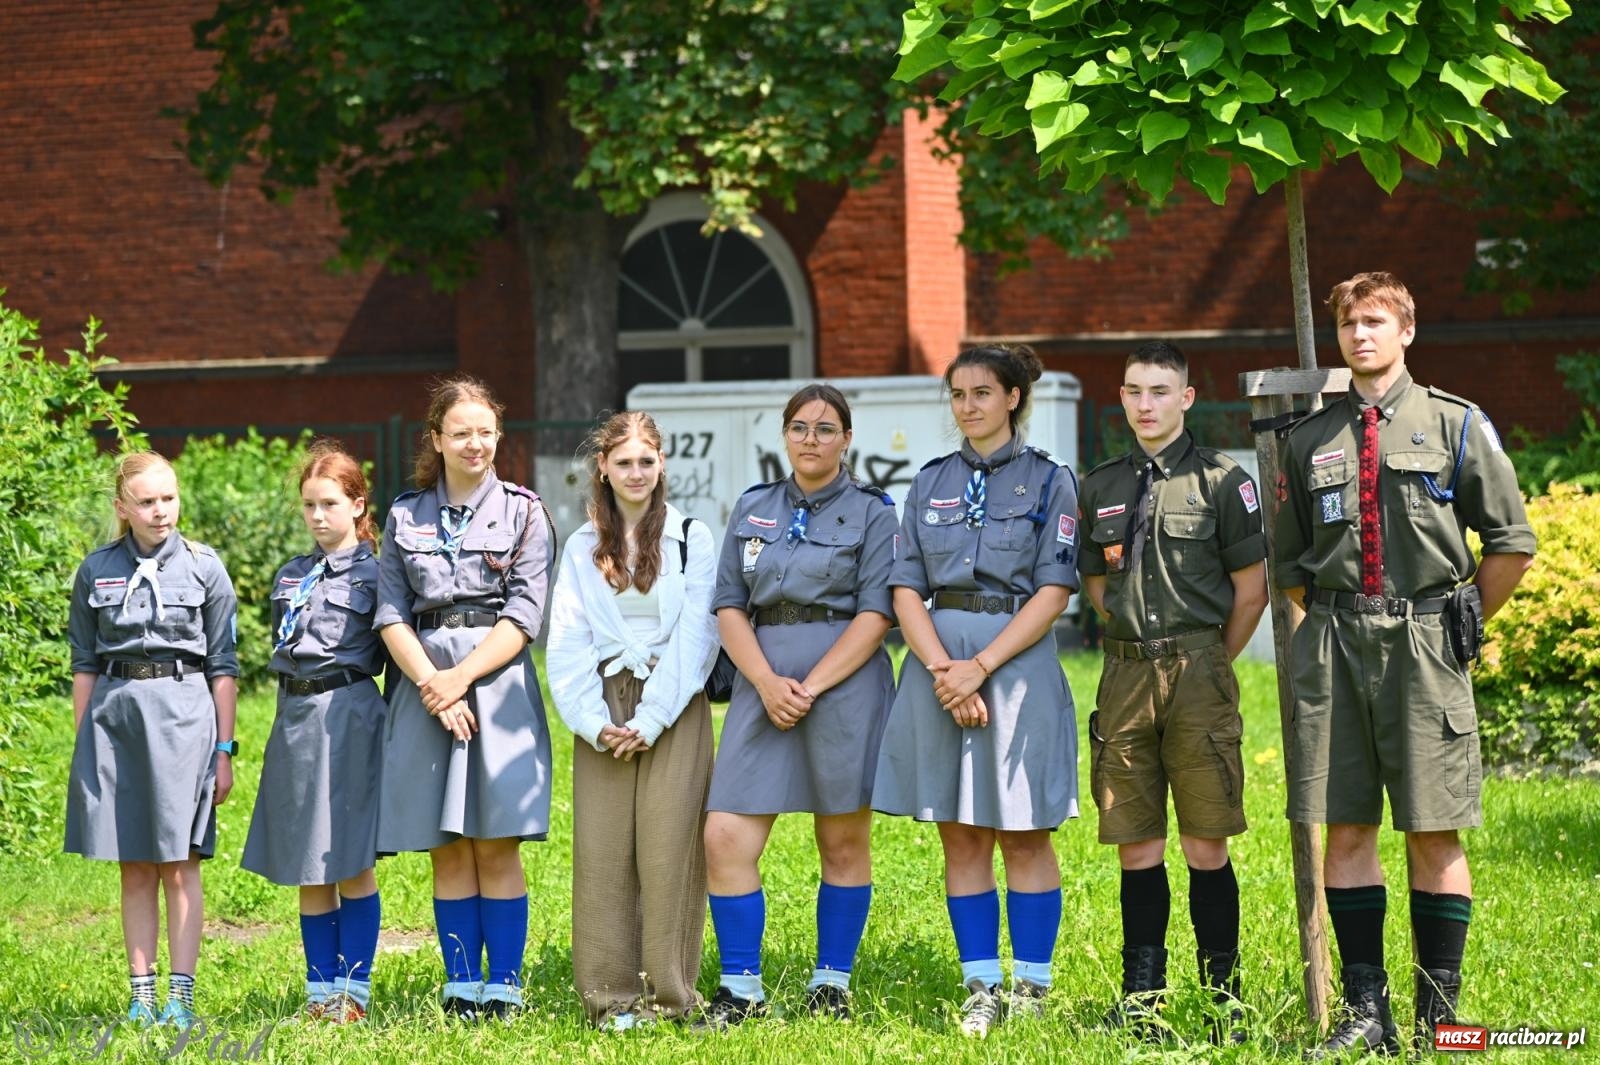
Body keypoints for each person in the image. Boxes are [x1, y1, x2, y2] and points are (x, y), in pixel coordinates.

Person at [1277, 273, 1535, 1057]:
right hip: (1335, 641)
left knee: (1432, 828)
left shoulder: (1455, 423)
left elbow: (1511, 541)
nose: (1361, 335)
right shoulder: (1307, 438)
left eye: (1376, 321)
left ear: (1406, 332)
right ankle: (1367, 1014)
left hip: (1425, 642)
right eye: (1351, 322)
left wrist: (1459, 619)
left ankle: (1440, 1017)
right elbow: (1291, 561)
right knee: (1347, 825)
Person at [872, 344, 1079, 1038]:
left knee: (1023, 832)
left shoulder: (1052, 482)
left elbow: (1053, 591)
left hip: (1013, 667)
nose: (967, 405)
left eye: (982, 392)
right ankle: (981, 981)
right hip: (938, 670)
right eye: (957, 394)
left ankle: (1033, 984)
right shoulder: (928, 483)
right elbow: (904, 587)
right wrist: (942, 671)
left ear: (1013, 397)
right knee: (960, 834)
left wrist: (980, 666)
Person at [1076, 341, 1268, 1044]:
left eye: (1160, 390)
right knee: (1135, 841)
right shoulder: (1098, 485)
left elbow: (1252, 591)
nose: (1145, 404)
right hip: (1126, 674)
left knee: (1206, 842)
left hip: (1199, 671)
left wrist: (1210, 661)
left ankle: (1225, 997)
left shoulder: (1223, 481)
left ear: (1186, 398)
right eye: (1133, 391)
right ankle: (1142, 999)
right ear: (1122, 398)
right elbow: (1097, 584)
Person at [696, 383, 898, 1028]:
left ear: (846, 438)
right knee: (724, 834)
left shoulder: (873, 512)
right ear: (784, 435)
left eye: (826, 428)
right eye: (800, 427)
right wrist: (764, 681)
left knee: (841, 837)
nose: (812, 439)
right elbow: (729, 603)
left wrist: (810, 686)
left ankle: (831, 983)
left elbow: (877, 612)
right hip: (763, 684)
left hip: (844, 683)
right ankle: (741, 989)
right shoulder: (753, 506)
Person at [373, 375, 555, 1022]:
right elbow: (391, 612)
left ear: (498, 436)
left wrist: (460, 678)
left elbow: (526, 613)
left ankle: (503, 985)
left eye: (485, 431)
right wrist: (433, 683)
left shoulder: (527, 511)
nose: (475, 443)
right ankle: (460, 986)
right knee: (446, 842)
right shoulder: (402, 514)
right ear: (436, 439)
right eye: (461, 433)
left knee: (494, 839)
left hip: (497, 687)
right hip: (425, 685)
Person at [546, 411, 721, 1031]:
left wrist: (650, 719)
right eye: (624, 462)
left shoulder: (692, 537)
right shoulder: (579, 545)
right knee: (603, 852)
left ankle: (670, 994)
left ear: (662, 464)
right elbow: (565, 639)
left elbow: (700, 635)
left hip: (674, 704)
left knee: (670, 847)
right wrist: (596, 723)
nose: (637, 472)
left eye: (647, 460)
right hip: (602, 702)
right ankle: (612, 998)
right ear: (603, 468)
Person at [65, 451, 239, 1029]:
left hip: (185, 720)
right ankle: (142, 995)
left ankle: (180, 995)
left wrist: (225, 751)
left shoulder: (205, 568)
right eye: (146, 501)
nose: (160, 510)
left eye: (168, 498)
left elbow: (223, 666)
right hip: (115, 723)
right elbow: (85, 662)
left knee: (181, 862)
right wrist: (84, 739)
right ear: (123, 507)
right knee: (135, 865)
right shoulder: (95, 571)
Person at [241, 442, 386, 1024]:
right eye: (309, 505)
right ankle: (319, 990)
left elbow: (394, 654)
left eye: (330, 503)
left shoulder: (378, 574)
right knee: (309, 861)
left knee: (349, 859)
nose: (319, 516)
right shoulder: (291, 575)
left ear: (357, 504)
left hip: (349, 713)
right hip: (294, 719)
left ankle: (355, 991)